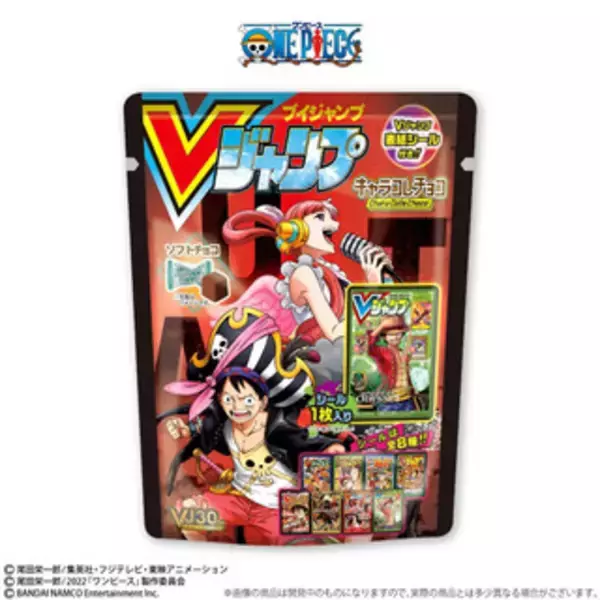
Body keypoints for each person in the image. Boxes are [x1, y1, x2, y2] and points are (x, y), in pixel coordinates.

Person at [161, 307, 348, 545]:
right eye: (229, 399)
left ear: (263, 401)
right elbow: (204, 430)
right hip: (239, 499)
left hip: (279, 508)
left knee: (300, 546)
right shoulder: (224, 426)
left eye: (247, 400)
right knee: (188, 514)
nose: (238, 407)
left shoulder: (277, 427)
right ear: (220, 400)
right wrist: (186, 428)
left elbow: (302, 440)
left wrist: (329, 448)